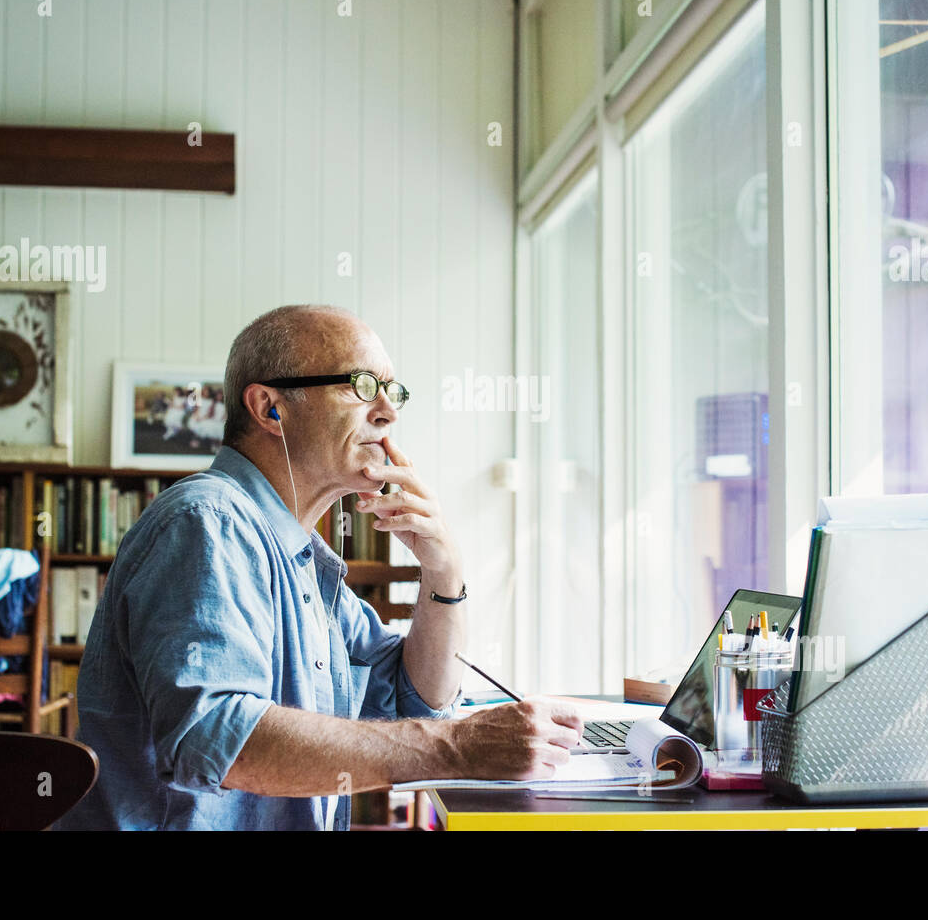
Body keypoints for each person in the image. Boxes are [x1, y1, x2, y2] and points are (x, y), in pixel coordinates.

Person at [58, 304, 582, 829]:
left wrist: (442, 572)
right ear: (270, 408)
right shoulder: (208, 523)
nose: (388, 412)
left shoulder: (301, 557)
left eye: (393, 391)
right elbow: (216, 740)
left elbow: (412, 700)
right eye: (360, 385)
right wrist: (461, 747)